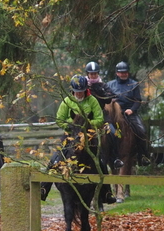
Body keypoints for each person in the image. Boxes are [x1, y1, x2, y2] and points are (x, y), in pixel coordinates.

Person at [40, 75, 116, 204]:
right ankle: (43, 188)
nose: (79, 94)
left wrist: (87, 123)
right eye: (77, 91)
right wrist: (72, 123)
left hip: (88, 135)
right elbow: (60, 118)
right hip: (70, 134)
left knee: (101, 160)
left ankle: (107, 192)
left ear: (85, 90)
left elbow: (99, 119)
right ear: (73, 90)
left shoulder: (92, 100)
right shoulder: (67, 101)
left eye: (81, 91)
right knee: (56, 157)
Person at [106, 61, 149, 162]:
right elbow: (106, 100)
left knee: (142, 131)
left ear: (128, 72)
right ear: (117, 73)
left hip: (129, 113)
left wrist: (132, 110)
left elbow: (138, 100)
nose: (123, 74)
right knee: (106, 132)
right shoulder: (109, 85)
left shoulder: (133, 84)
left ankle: (142, 156)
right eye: (121, 72)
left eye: (125, 72)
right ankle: (106, 156)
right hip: (114, 114)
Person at [85, 61, 122, 169]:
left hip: (102, 115)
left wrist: (102, 92)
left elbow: (109, 98)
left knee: (113, 132)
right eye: (91, 74)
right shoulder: (84, 84)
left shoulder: (103, 85)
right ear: (87, 74)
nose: (93, 76)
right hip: (87, 116)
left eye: (95, 73)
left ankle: (116, 158)